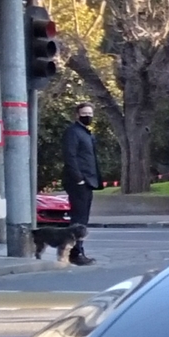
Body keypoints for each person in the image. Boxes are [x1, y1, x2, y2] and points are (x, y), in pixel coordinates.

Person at [62, 101, 101, 265]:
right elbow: (70, 157)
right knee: (78, 219)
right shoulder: (73, 132)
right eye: (84, 114)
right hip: (79, 182)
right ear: (77, 115)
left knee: (82, 219)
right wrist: (78, 179)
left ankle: (77, 250)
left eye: (90, 114)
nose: (88, 117)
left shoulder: (86, 133)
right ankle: (75, 252)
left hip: (88, 181)